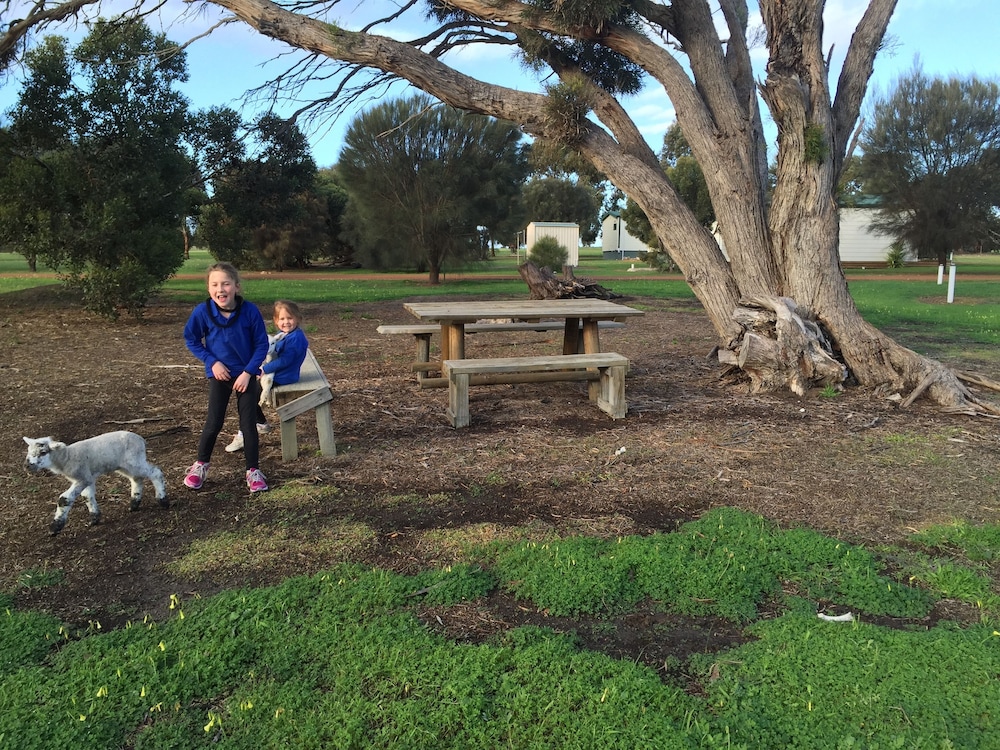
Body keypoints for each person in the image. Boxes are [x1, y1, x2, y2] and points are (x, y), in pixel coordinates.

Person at [183, 262, 271, 493]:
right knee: (214, 421)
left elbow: (261, 344)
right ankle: (200, 465)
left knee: (248, 424)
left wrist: (248, 372)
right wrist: (212, 362)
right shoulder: (203, 312)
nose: (220, 289)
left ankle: (253, 471)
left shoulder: (250, 311)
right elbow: (191, 339)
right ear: (209, 289)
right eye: (214, 284)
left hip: (245, 373)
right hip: (219, 373)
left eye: (226, 283)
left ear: (236, 287)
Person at [225, 299, 309, 453]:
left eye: (290, 318)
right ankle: (260, 423)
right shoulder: (284, 335)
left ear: (297, 319)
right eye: (282, 319)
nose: (286, 322)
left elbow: (286, 360)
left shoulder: (296, 338)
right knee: (247, 394)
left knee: (248, 396)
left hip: (284, 376)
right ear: (276, 321)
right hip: (279, 373)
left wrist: (264, 368)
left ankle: (245, 433)